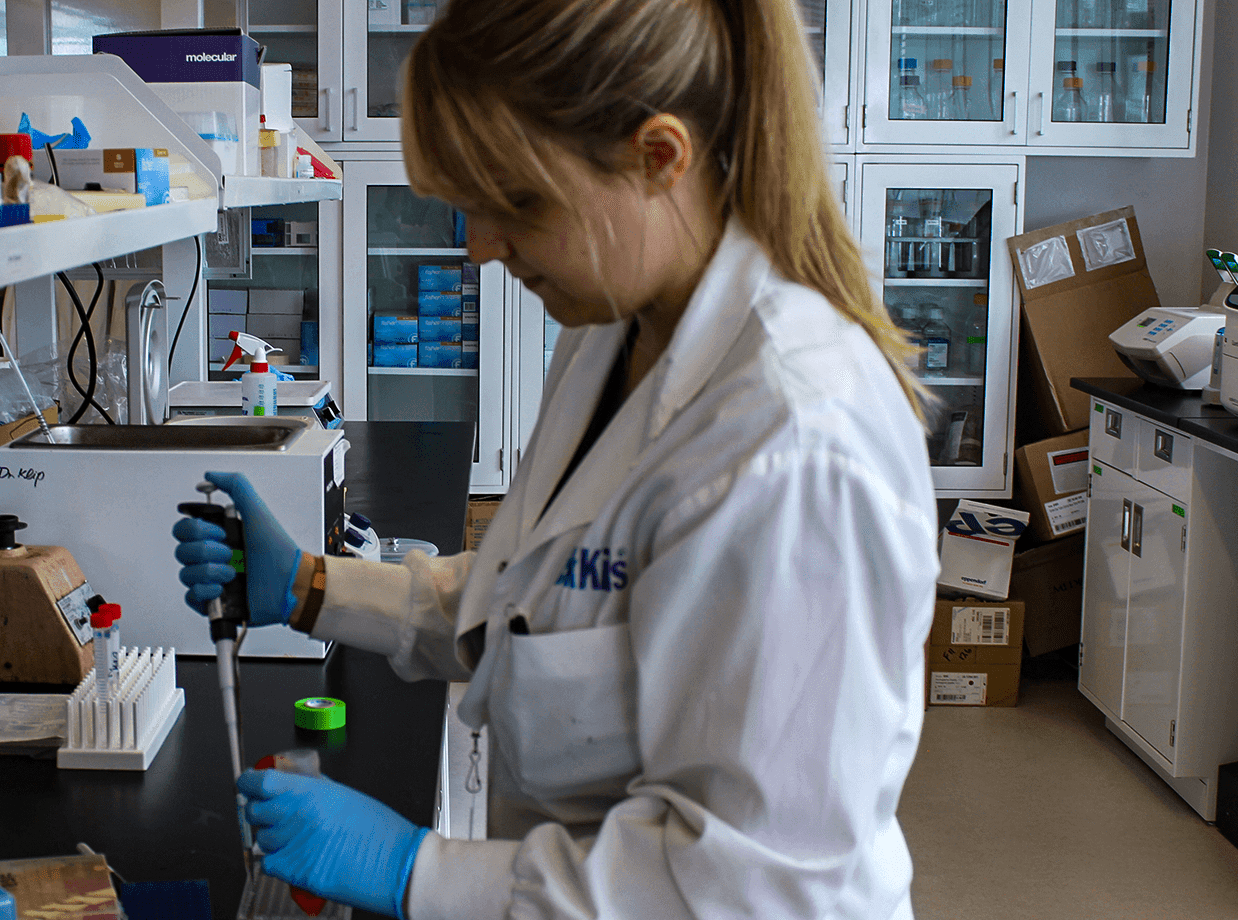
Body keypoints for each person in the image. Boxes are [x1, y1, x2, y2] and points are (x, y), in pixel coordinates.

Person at [172, 0, 941, 916]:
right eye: (467, 207)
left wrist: (414, 870)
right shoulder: (613, 327)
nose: (479, 250)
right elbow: (545, 598)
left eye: (518, 205)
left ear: (659, 157)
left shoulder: (793, 444)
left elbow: (756, 888)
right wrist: (313, 587)